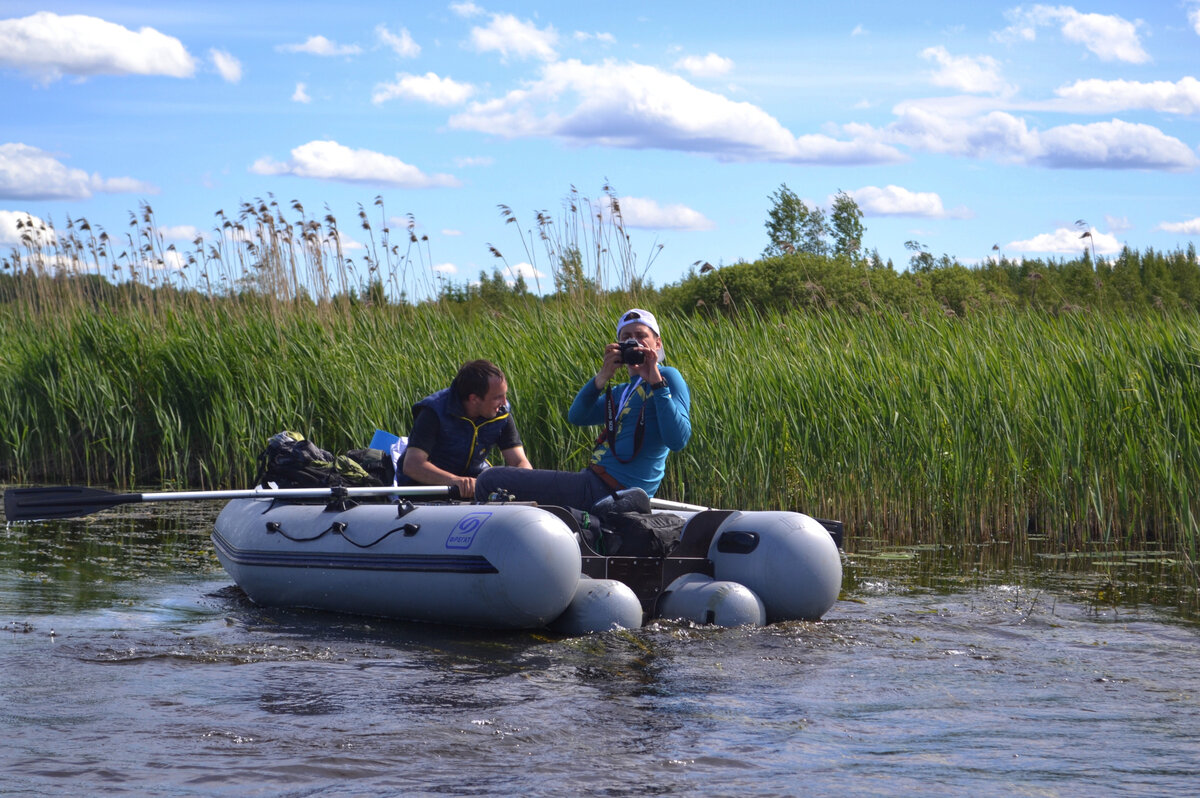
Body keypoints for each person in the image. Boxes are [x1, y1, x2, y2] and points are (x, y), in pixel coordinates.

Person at [475, 308, 690, 510]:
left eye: (641, 335)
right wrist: (602, 377)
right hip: (594, 483)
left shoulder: (668, 377)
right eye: (625, 337)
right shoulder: (620, 391)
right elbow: (577, 416)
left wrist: (656, 382)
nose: (633, 342)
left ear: (657, 343)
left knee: (490, 479)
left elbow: (677, 440)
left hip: (613, 491)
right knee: (493, 480)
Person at [396, 359, 532, 499]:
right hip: (427, 492)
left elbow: (518, 461)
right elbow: (412, 465)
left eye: (505, 395)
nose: (504, 402)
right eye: (497, 397)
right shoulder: (433, 412)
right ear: (474, 399)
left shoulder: (501, 413)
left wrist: (526, 484)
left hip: (472, 488)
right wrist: (455, 481)